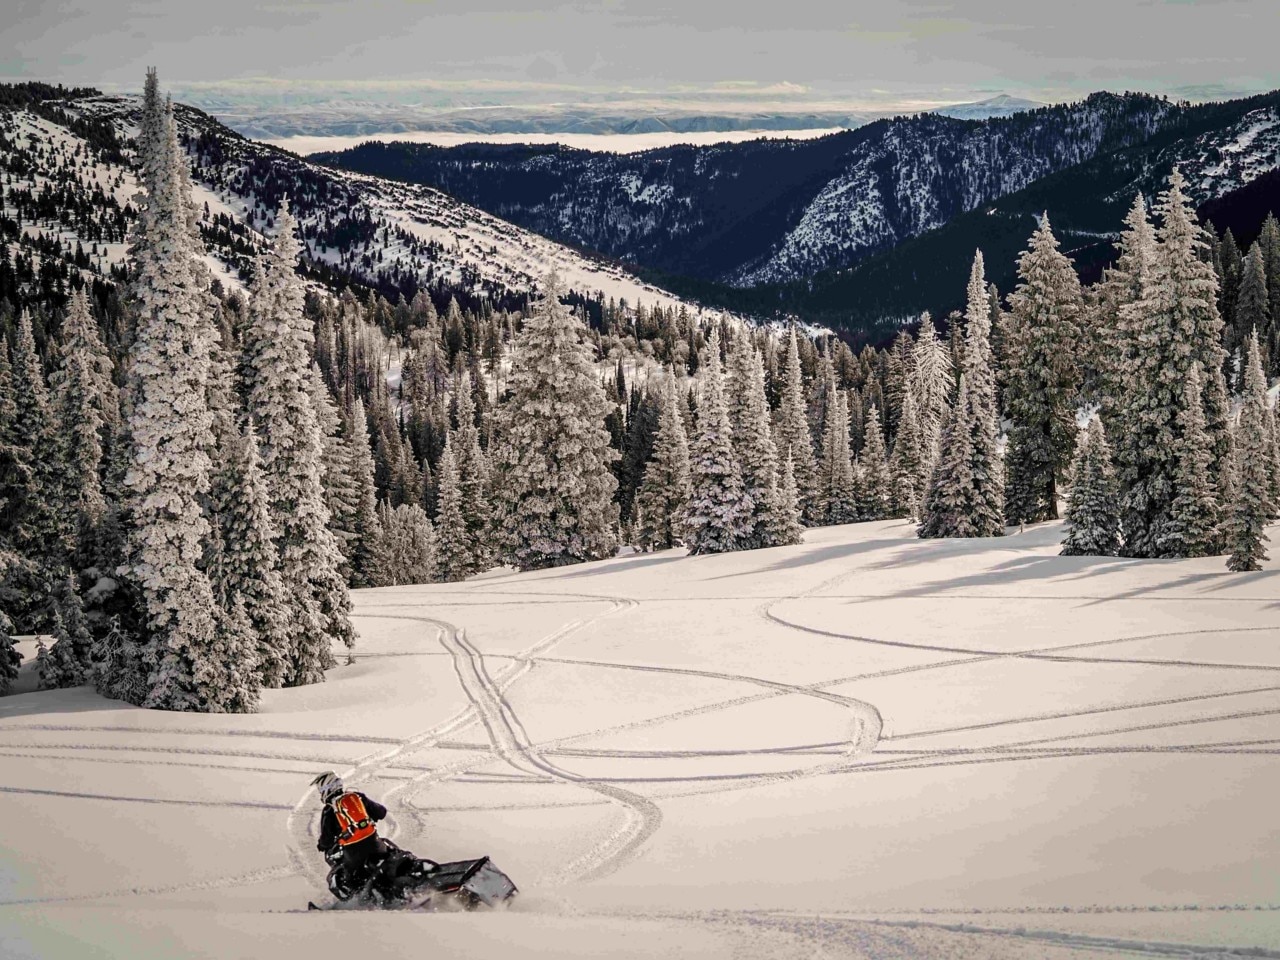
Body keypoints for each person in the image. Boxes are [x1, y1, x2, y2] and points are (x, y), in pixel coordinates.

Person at [312, 772, 389, 889]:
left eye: (320, 790)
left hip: (353, 854)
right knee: (390, 850)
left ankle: (359, 898)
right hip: (375, 843)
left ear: (327, 788)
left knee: (349, 881)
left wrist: (321, 845)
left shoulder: (329, 810)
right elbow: (381, 812)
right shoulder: (357, 797)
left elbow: (327, 839)